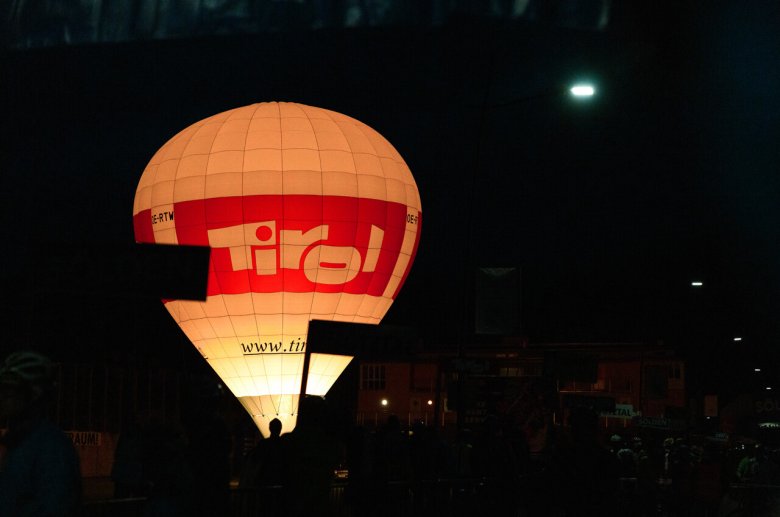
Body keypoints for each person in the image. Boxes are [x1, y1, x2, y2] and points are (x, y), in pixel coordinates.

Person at [0, 350, 82, 516]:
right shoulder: (20, 440)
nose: (2, 396)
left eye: (10, 389)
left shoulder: (51, 448)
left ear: (34, 394)